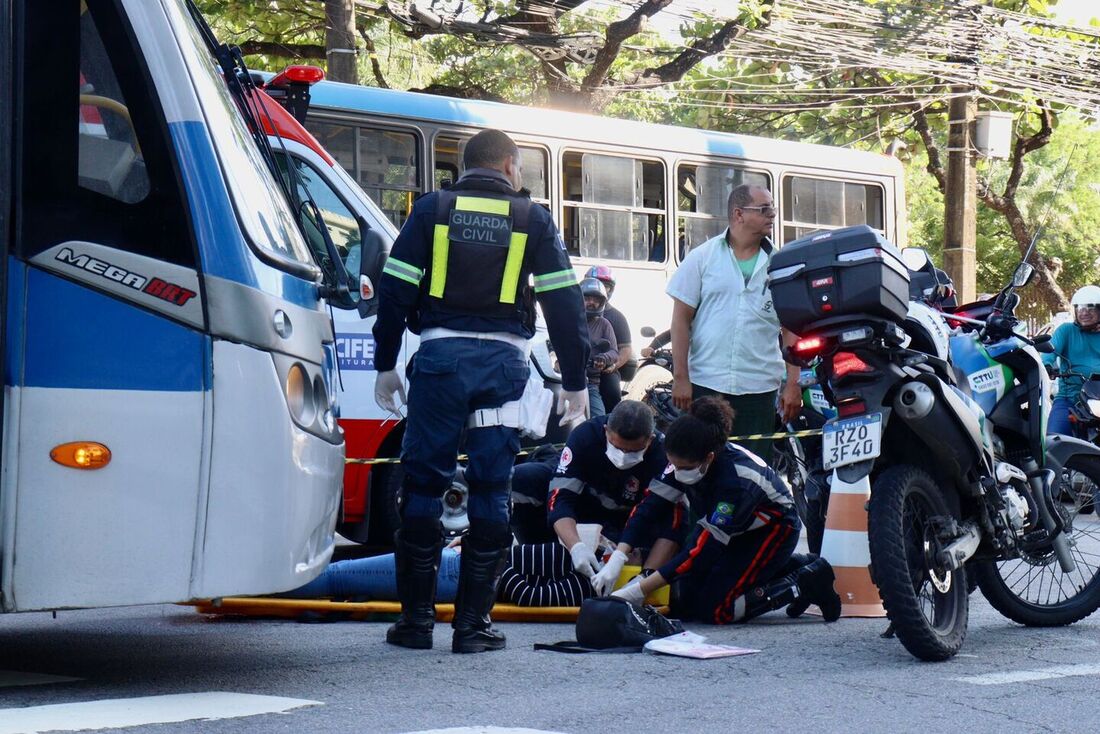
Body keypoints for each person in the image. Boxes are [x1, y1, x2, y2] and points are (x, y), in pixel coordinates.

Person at [372, 129, 589, 654]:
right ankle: (472, 628)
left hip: (440, 362)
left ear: (465, 167)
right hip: (503, 367)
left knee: (422, 487)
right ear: (511, 167)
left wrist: (384, 364)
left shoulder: (431, 210)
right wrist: (577, 382)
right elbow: (564, 304)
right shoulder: (532, 219)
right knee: (492, 490)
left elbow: (395, 289)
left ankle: (416, 624)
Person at [610, 397, 841, 624]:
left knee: (718, 610)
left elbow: (702, 550)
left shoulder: (733, 483)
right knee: (685, 599)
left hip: (772, 531)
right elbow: (649, 508)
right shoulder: (688, 456)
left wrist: (638, 589)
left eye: (685, 468)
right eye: (674, 465)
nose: (677, 473)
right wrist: (618, 557)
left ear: (709, 457)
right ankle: (796, 564)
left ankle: (805, 581)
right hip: (735, 531)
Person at [666, 184, 802, 462]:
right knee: (698, 467)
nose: (772, 215)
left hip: (759, 390)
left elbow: (791, 330)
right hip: (706, 385)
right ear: (738, 214)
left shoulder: (781, 265)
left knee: (751, 472)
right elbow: (680, 321)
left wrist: (793, 383)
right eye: (764, 209)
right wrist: (680, 378)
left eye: (772, 208)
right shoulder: (703, 258)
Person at [510, 400, 683, 595]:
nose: (623, 456)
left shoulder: (663, 453)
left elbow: (654, 513)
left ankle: (644, 577)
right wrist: (576, 547)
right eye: (617, 447)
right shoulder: (585, 437)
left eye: (633, 451)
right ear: (606, 431)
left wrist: (627, 563)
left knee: (675, 509)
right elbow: (560, 498)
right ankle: (543, 557)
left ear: (650, 440)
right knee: (522, 479)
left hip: (629, 521)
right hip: (586, 505)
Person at [281, 542, 597, 608]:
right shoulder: (589, 557)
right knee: (343, 573)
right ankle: (268, 582)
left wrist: (493, 563)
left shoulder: (588, 583)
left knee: (339, 576)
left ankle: (267, 585)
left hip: (457, 575)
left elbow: (528, 595)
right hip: (459, 567)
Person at [1045, 285, 1100, 437]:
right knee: (1054, 441)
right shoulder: (1066, 330)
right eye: (1080, 308)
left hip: (1098, 400)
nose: (1084, 312)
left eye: (1091, 308)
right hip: (1069, 400)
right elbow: (1050, 350)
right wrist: (1047, 365)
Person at [584, 265, 635, 411]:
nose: (591, 302)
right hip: (577, 370)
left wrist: (612, 365)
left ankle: (610, 423)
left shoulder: (616, 318)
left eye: (604, 286)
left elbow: (625, 348)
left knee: (612, 392)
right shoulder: (573, 315)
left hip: (603, 371)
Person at [579, 277, 618, 417]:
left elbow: (614, 351)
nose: (591, 303)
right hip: (567, 379)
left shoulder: (604, 324)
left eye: (596, 300)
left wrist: (604, 358)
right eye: (587, 298)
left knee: (599, 419)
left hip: (590, 383)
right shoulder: (569, 320)